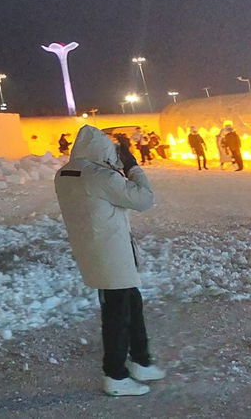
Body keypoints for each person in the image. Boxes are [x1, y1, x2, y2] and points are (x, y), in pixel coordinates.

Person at [55, 124, 165, 397]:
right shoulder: (100, 176)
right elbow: (144, 199)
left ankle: (141, 360)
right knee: (118, 314)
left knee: (131, 303)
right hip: (111, 253)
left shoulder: (65, 173)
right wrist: (133, 167)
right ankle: (115, 375)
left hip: (95, 249)